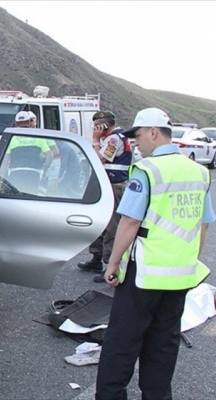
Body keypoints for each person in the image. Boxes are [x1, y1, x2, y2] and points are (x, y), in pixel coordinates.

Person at [95, 107, 214, 399]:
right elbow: (203, 224)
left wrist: (113, 264)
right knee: (164, 343)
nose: (136, 144)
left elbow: (130, 222)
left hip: (144, 273)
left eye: (137, 137)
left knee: (122, 342)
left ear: (153, 132)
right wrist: (189, 259)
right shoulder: (199, 172)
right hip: (180, 275)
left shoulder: (148, 171)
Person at [77, 111, 132, 282]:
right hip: (104, 185)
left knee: (111, 225)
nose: (95, 129)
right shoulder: (109, 139)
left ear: (104, 125)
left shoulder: (115, 139)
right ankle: (96, 257)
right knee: (98, 221)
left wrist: (95, 140)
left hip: (114, 186)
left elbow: (99, 159)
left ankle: (110, 264)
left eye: (97, 126)